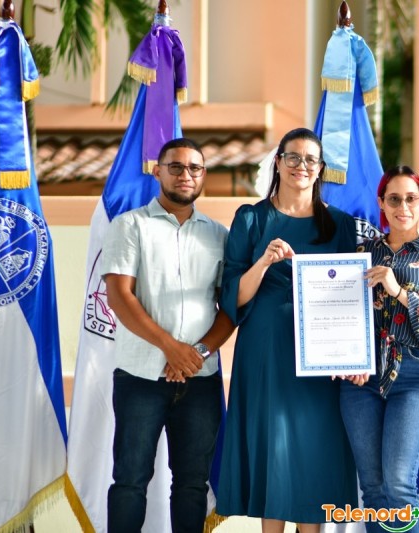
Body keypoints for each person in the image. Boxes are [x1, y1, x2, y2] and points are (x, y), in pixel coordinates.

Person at [215, 128, 358, 532]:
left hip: (321, 358)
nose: (301, 166)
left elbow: (351, 295)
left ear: (321, 169)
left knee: (315, 456)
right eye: (293, 157)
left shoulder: (341, 225)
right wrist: (263, 262)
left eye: (311, 159)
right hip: (267, 353)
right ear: (277, 162)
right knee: (273, 453)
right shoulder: (251, 218)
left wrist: (350, 353)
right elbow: (233, 298)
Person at [103, 137, 234, 533]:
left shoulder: (218, 234)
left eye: (194, 168)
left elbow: (229, 308)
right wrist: (171, 349)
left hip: (200, 379)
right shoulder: (129, 225)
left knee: (192, 485)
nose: (185, 175)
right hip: (140, 377)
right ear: (157, 171)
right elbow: (119, 296)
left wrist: (195, 354)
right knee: (130, 480)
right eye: (175, 166)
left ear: (204, 175)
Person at [340, 166, 419, 532]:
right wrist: (346, 357)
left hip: (413, 375)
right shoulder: (360, 253)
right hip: (360, 380)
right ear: (381, 203)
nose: (403, 207)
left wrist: (399, 291)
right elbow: (340, 313)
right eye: (394, 199)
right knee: (373, 487)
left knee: (399, 482)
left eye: (411, 198)